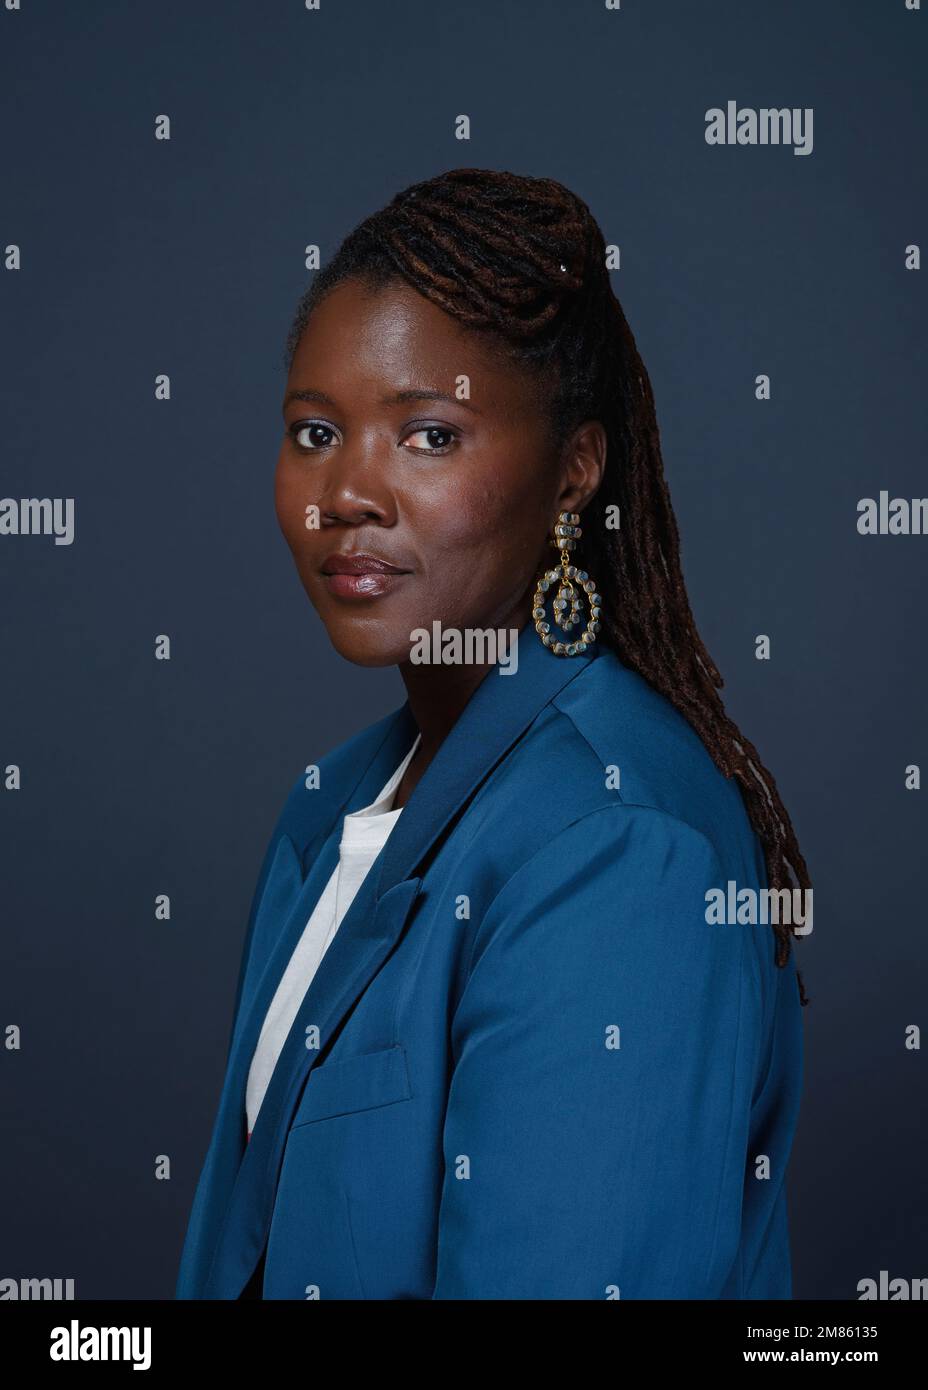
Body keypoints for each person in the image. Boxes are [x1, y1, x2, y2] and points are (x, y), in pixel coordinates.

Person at [175, 167, 808, 1301]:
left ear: (574, 472)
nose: (348, 492)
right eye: (315, 430)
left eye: (428, 435)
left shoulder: (617, 849)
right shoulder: (332, 807)